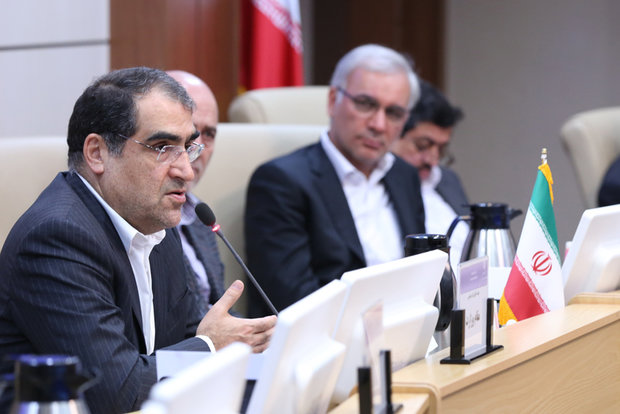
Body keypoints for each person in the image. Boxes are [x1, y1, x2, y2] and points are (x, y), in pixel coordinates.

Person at [0, 67, 276, 414]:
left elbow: (184, 338)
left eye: (187, 147)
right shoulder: (56, 239)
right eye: (162, 148)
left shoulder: (155, 222)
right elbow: (115, 391)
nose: (186, 171)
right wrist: (211, 347)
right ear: (97, 153)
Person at [244, 44, 426, 317]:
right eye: (365, 104)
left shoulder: (404, 175)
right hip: (326, 337)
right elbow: (295, 302)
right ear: (332, 100)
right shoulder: (281, 182)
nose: (379, 124)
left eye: (394, 113)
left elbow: (419, 273)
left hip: (405, 330)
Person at [166, 70, 225, 317]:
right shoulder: (140, 220)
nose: (197, 147)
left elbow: (222, 312)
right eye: (188, 133)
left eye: (208, 134)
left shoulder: (200, 215)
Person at [390, 80, 469, 263]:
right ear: (394, 133)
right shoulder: (377, 189)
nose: (433, 160)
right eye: (422, 145)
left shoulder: (448, 180)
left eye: (441, 149)